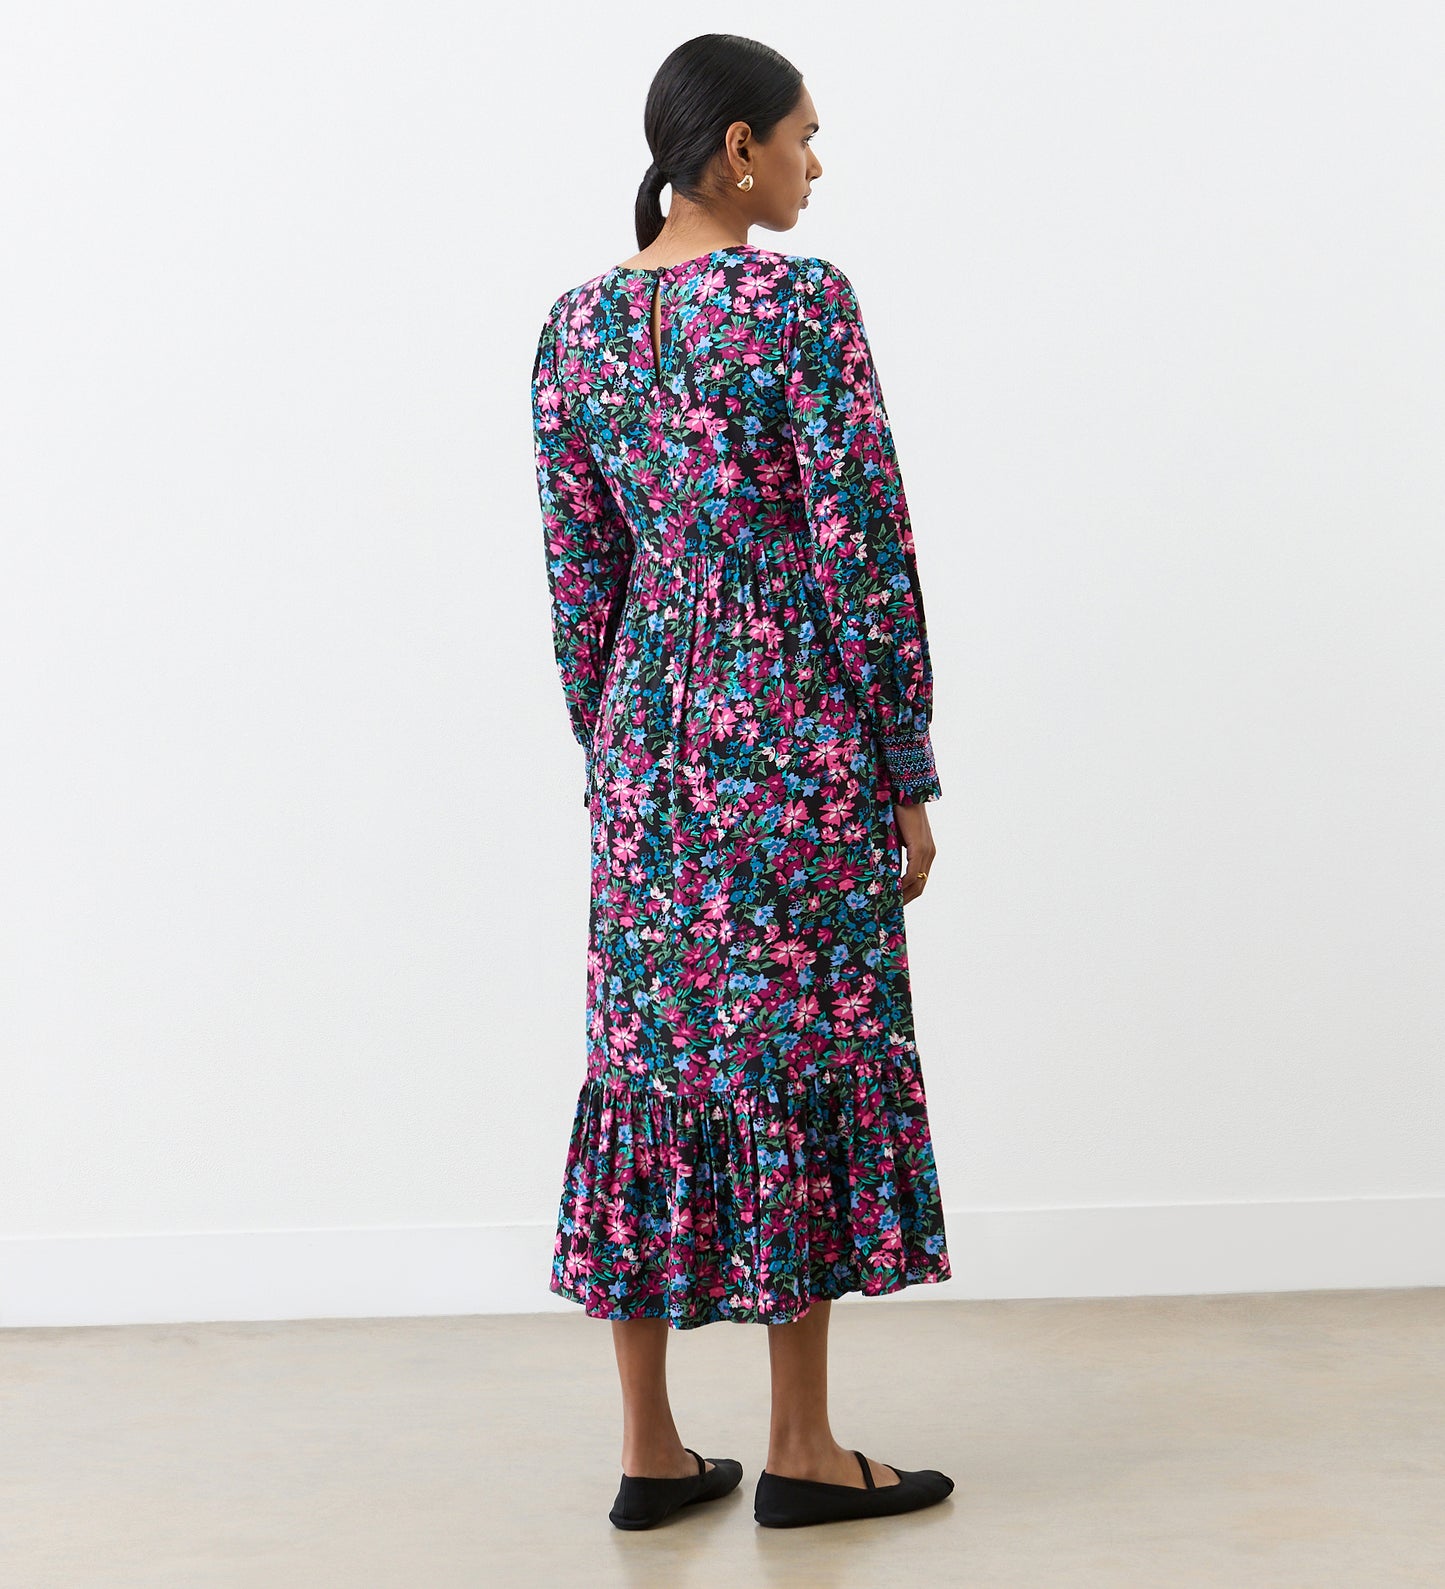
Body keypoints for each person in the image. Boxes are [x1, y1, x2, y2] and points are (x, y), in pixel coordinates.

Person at [529, 33, 955, 1530]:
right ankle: (801, 1446)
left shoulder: (575, 327)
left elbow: (581, 578)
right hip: (791, 731)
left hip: (648, 740)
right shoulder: (798, 305)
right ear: (733, 152)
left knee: (649, 1064)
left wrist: (618, 759)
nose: (812, 163)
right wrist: (902, 759)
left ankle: (650, 1450)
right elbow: (858, 547)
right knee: (798, 1058)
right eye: (802, 136)